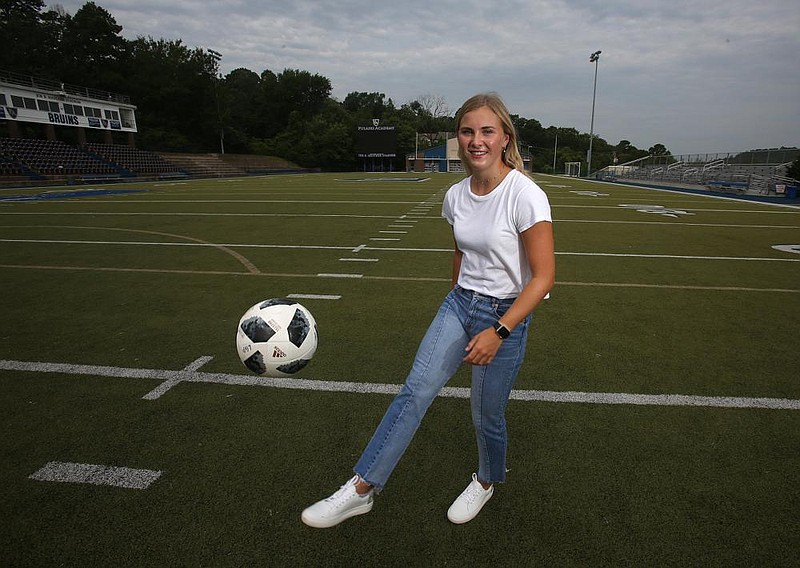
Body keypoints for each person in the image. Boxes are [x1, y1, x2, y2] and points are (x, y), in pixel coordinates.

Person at [301, 92, 555, 528]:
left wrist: (499, 330)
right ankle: (361, 488)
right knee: (415, 391)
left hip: (506, 314)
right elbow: (461, 253)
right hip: (460, 304)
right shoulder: (455, 195)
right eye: (467, 131)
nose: (477, 140)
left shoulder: (525, 195)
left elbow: (544, 277)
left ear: (504, 137)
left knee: (485, 413)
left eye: (487, 131)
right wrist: (459, 296)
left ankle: (486, 480)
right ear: (458, 139)